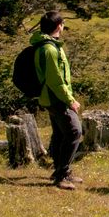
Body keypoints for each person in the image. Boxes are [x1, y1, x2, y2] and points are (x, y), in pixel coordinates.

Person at [32, 10, 82, 190]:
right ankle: (61, 175)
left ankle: (62, 171)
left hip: (50, 97)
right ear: (58, 25)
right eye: (62, 23)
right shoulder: (49, 49)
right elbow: (55, 80)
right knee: (74, 131)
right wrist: (70, 100)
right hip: (56, 98)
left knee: (61, 134)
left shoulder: (47, 46)